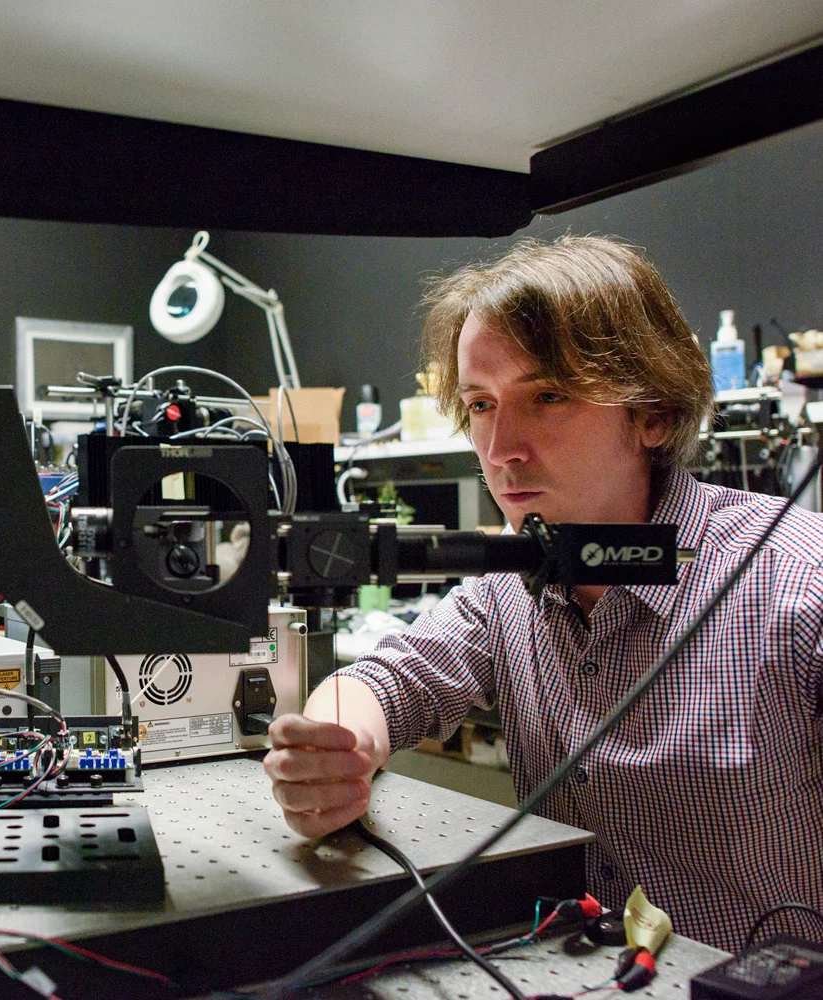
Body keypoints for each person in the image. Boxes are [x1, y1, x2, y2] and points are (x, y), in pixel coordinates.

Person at [264, 235, 823, 952]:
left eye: (548, 395)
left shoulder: (795, 584)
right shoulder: (509, 587)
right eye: (481, 405)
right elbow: (388, 678)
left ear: (650, 412)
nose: (501, 449)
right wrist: (335, 751)